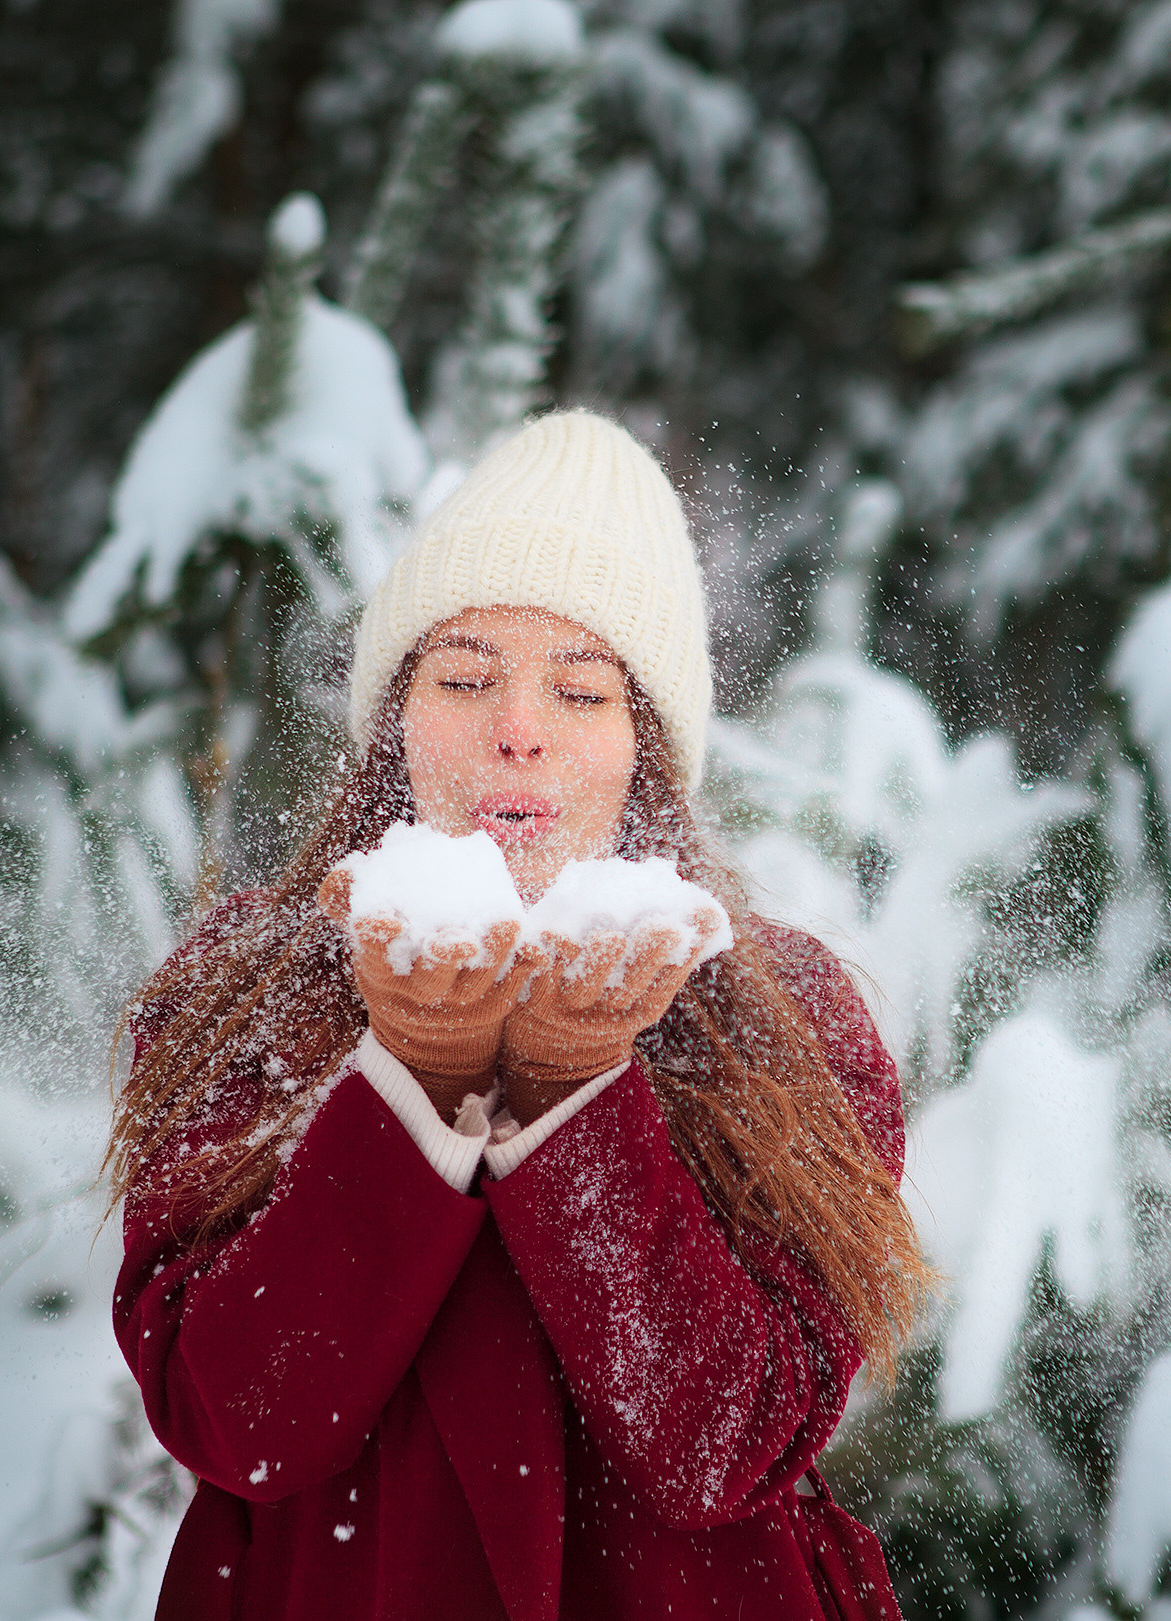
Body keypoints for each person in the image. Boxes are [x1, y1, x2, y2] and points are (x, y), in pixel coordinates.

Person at [107, 409, 931, 1620]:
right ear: (393, 716)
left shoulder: (787, 1022)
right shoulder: (243, 987)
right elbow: (239, 1422)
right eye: (463, 675)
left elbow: (721, 1445)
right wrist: (416, 1080)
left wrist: (572, 1094)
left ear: (646, 749)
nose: (518, 729)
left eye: (582, 691)